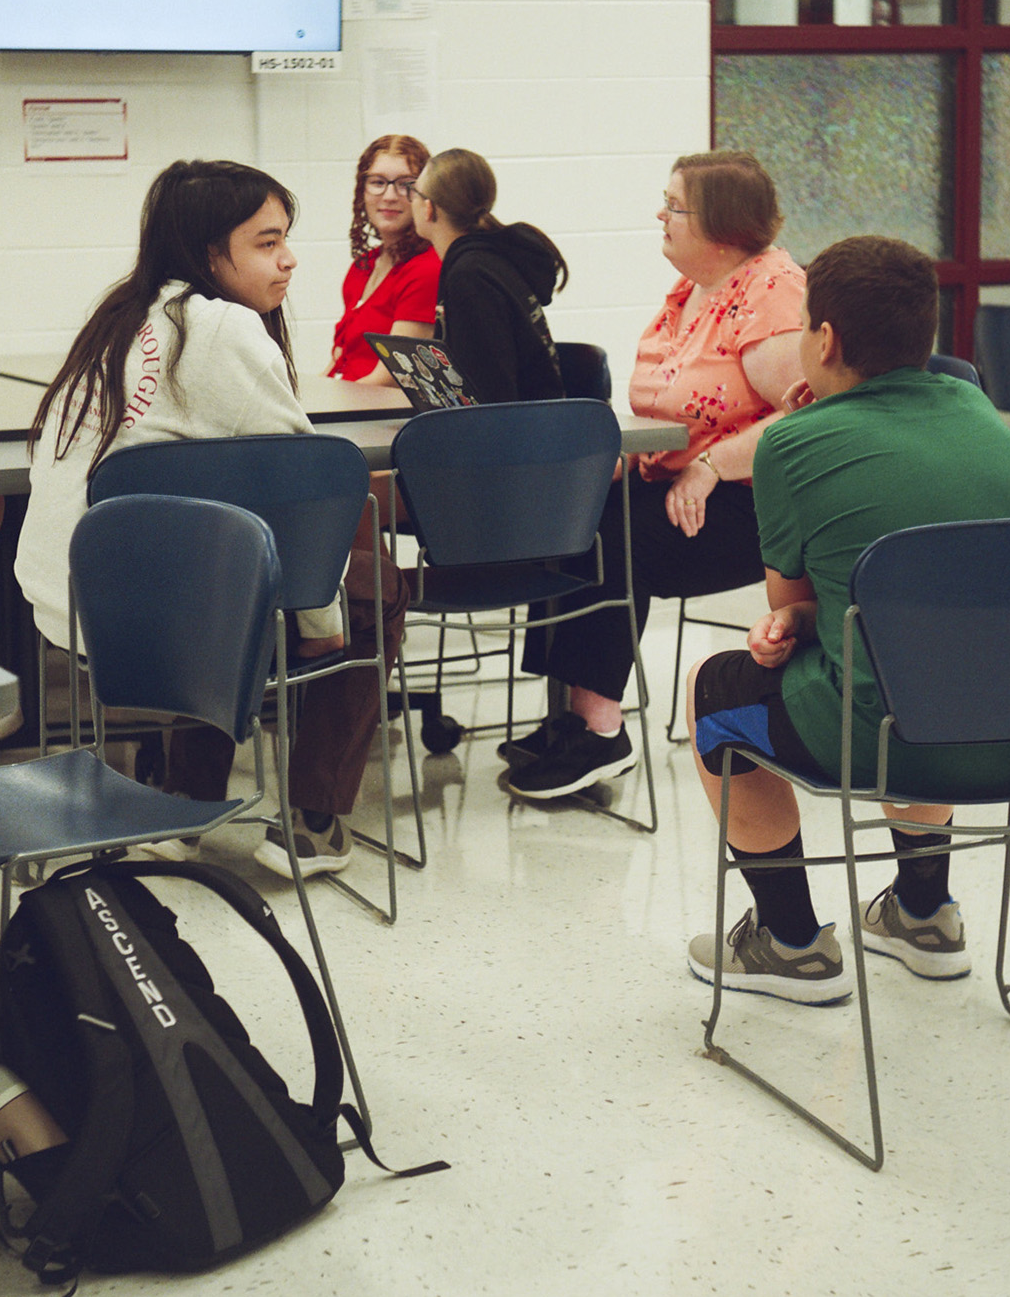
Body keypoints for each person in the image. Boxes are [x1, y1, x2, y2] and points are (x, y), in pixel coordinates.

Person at [683, 234, 1010, 1003]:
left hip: (904, 735)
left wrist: (791, 620)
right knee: (935, 659)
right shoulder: (973, 404)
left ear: (823, 339)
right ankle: (924, 913)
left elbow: (789, 605)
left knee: (715, 693)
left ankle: (790, 941)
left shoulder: (790, 444)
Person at [15, 159, 408, 880]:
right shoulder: (223, 327)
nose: (289, 259)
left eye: (286, 238)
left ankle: (184, 803)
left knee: (219, 565)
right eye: (267, 242)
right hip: (161, 616)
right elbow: (309, 493)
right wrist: (322, 630)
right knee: (373, 582)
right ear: (206, 256)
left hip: (77, 608)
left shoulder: (119, 317)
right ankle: (315, 824)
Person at [504, 151, 805, 801]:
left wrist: (708, 466)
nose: (660, 216)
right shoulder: (692, 288)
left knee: (611, 534)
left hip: (751, 503)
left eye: (674, 206)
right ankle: (568, 712)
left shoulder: (772, 291)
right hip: (676, 482)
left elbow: (805, 418)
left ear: (722, 223)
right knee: (576, 512)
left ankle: (601, 728)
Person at [409, 149, 568, 403]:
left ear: (429, 208)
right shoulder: (490, 259)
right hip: (536, 424)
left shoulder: (470, 277)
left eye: (413, 192)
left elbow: (487, 396)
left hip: (522, 433)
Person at [326, 134, 436, 384]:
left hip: (383, 414)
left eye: (405, 184)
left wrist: (325, 409)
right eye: (377, 182)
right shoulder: (362, 266)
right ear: (362, 190)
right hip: (349, 401)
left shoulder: (427, 269)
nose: (389, 196)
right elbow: (339, 360)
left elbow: (392, 375)